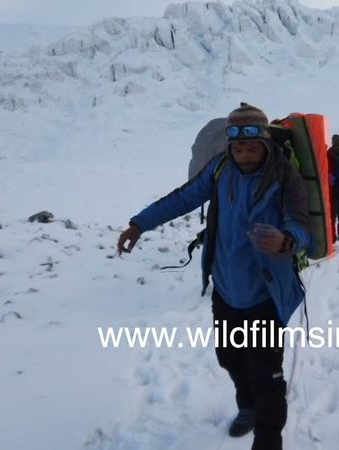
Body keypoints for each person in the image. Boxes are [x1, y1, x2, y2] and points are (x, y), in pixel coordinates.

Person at [117, 103, 311, 450]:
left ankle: (268, 439)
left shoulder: (284, 176)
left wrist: (286, 241)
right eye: (238, 148)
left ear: (265, 143)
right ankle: (247, 406)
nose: (244, 155)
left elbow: (303, 226)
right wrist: (139, 224)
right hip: (225, 290)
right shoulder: (220, 168)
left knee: (267, 374)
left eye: (252, 148)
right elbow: (182, 198)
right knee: (230, 357)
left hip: (265, 294)